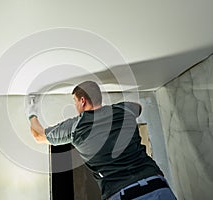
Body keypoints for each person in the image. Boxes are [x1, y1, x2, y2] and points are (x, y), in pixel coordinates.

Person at [26, 81, 177, 200]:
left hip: (122, 193)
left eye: (75, 101)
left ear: (83, 101)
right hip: (156, 184)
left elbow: (39, 136)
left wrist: (31, 114)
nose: (75, 105)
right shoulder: (124, 110)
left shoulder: (75, 127)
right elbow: (138, 107)